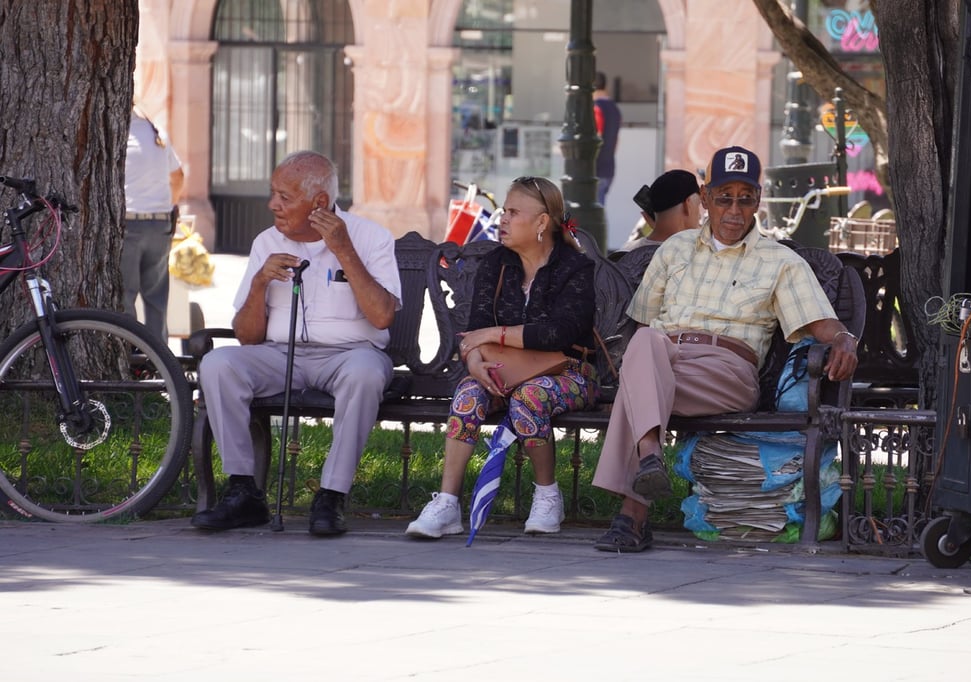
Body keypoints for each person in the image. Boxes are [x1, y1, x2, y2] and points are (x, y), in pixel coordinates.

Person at [591, 146, 860, 552]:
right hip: (662, 356)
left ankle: (636, 502)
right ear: (705, 196)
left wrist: (844, 339)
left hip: (726, 371)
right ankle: (645, 474)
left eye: (745, 198)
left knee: (637, 382)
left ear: (758, 199)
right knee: (646, 343)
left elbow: (822, 323)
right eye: (724, 197)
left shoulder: (779, 261)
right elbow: (643, 322)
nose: (734, 209)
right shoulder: (675, 249)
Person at [191, 151, 402, 537]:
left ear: (320, 203)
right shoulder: (266, 242)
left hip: (351, 355)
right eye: (273, 193)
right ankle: (243, 491)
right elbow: (248, 337)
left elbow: (383, 316)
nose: (273, 205)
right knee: (218, 365)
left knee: (366, 375)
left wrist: (343, 250)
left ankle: (332, 495)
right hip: (279, 354)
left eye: (285, 197)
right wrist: (259, 284)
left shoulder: (371, 238)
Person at [405, 176, 599, 539]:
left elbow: (559, 334)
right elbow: (473, 330)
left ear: (542, 222)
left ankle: (547, 495)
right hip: (503, 371)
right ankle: (447, 504)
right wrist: (475, 363)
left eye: (513, 212)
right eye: (503, 211)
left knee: (530, 397)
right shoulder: (496, 263)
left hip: (569, 372)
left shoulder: (575, 268)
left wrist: (494, 335)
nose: (502, 219)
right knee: (467, 395)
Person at [121, 106, 185, 343]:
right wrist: (171, 205)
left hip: (129, 223)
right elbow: (178, 177)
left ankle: (129, 354)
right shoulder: (156, 131)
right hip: (160, 222)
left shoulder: (118, 135)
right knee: (156, 297)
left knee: (125, 297)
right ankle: (159, 360)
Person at [613, 169, 702, 257]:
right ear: (688, 204)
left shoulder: (625, 252)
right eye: (698, 205)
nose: (700, 215)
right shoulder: (695, 259)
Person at [593, 72, 621, 206]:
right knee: (599, 213)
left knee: (591, 219)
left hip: (595, 170)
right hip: (608, 168)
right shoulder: (615, 109)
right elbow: (616, 143)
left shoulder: (596, 108)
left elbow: (595, 139)